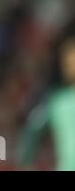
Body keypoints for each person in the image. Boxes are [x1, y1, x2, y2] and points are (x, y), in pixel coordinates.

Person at [19, 36, 75, 170]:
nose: (71, 67)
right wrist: (26, 164)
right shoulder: (57, 101)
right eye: (67, 63)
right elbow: (32, 131)